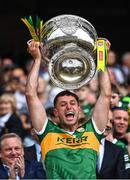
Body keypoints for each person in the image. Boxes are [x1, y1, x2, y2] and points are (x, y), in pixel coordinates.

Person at [25, 40, 111, 179]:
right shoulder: (47, 132)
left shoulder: (92, 131)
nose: (69, 107)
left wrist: (102, 59)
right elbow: (30, 95)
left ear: (79, 109)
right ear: (55, 112)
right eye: (63, 104)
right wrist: (37, 60)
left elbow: (106, 95)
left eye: (72, 103)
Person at [97, 110, 126, 179]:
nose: (109, 125)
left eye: (111, 122)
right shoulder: (78, 145)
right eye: (105, 119)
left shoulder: (117, 151)